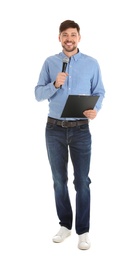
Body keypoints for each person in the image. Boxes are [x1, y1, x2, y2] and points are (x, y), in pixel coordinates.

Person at [35, 19, 105, 250]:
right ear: (59, 38)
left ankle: (83, 231)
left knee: (82, 181)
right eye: (65, 35)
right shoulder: (50, 62)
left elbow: (99, 92)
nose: (69, 39)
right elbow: (37, 94)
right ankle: (65, 225)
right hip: (54, 129)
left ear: (79, 38)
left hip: (81, 129)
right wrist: (55, 84)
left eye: (73, 35)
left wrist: (95, 109)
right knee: (58, 181)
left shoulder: (92, 63)